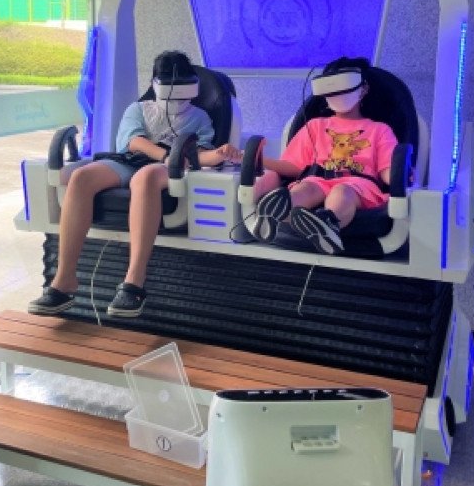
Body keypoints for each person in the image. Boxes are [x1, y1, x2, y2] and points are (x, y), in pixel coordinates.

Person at [30, 51, 240, 318]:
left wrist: (219, 154)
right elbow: (134, 142)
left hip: (169, 169)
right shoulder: (139, 109)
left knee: (145, 178)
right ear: (155, 85)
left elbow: (199, 154)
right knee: (81, 177)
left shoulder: (200, 117)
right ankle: (64, 280)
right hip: (131, 161)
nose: (177, 102)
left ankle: (134, 281)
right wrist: (164, 154)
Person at [251, 57, 398, 255]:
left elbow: (387, 169)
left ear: (363, 89)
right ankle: (276, 213)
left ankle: (328, 225)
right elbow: (294, 166)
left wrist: (400, 174)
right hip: (317, 179)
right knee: (305, 188)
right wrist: (258, 160)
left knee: (341, 192)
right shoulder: (315, 126)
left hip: (357, 184)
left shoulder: (379, 130)